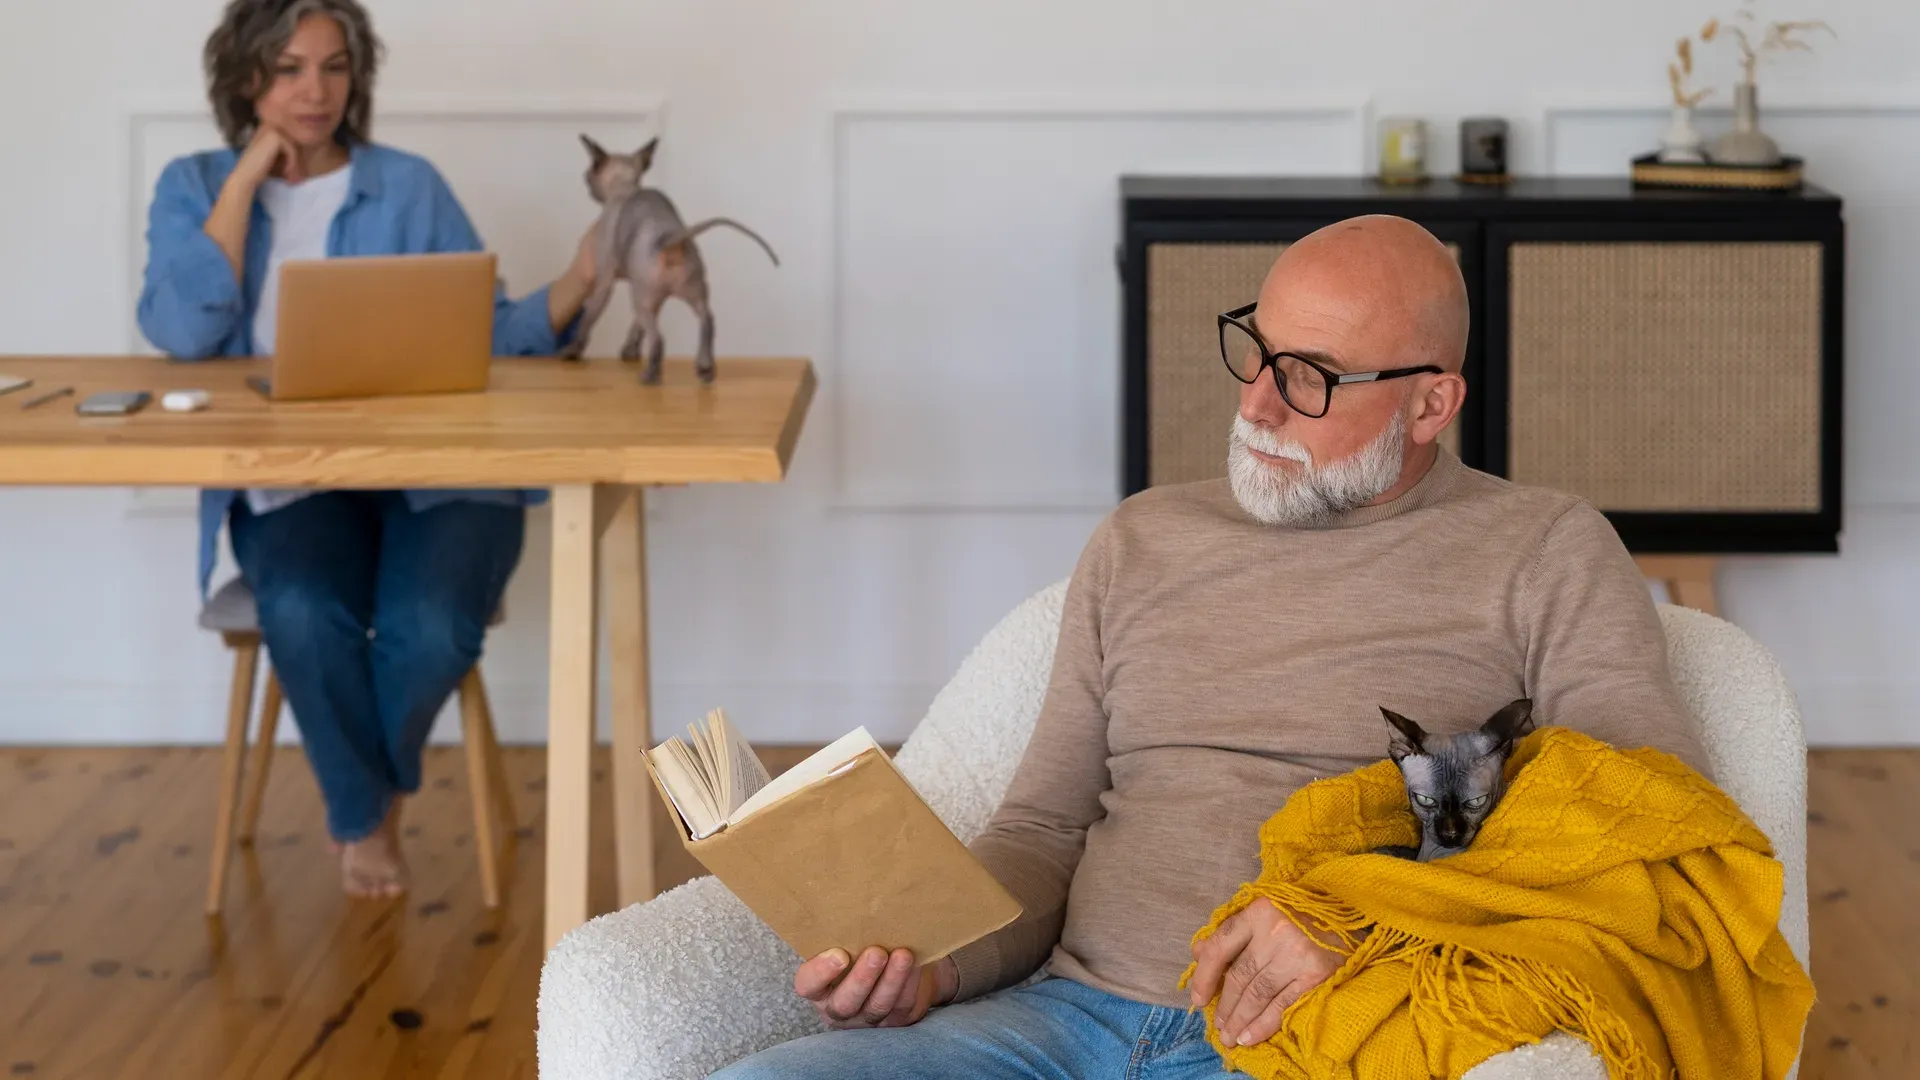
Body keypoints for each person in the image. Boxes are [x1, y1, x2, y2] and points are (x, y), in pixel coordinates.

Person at [710, 215, 1711, 1079]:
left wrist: (1365, 916)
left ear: (1429, 404)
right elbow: (1043, 833)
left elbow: (1648, 816)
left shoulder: (1543, 547)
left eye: (1311, 377)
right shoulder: (1143, 539)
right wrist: (934, 962)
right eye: (1257, 350)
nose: (1256, 404)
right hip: (1053, 1027)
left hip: (1319, 1046)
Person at [136, 0, 597, 899]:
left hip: (439, 475)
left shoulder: (409, 185)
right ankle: (367, 810)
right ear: (246, 80)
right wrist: (247, 181)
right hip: (295, 481)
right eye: (289, 69)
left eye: (335, 67)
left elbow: (489, 332)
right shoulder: (191, 185)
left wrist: (584, 276)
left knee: (431, 624)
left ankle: (365, 804)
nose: (317, 91)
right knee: (305, 609)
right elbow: (185, 333)